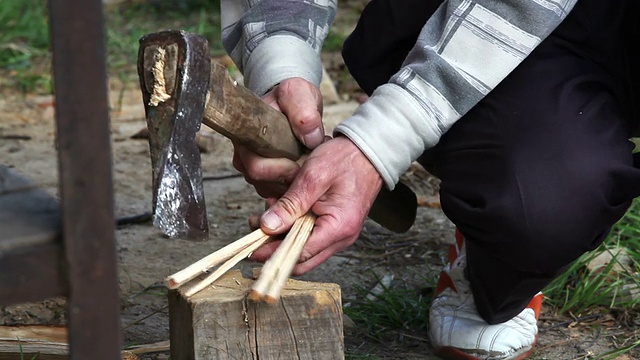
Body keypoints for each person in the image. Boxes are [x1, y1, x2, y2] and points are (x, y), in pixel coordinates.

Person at [220, 1, 640, 359]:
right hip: (462, 16)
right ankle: (493, 233)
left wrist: (378, 142)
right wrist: (280, 57)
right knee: (544, 206)